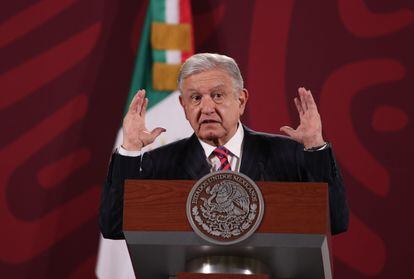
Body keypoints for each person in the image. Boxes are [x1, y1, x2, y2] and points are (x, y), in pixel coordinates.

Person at [99, 53, 349, 239]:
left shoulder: (288, 155)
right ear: (183, 107)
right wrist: (130, 150)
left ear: (241, 100)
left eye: (217, 95)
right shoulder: (160, 163)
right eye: (195, 98)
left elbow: (334, 220)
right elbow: (113, 227)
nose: (207, 108)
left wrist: (316, 147)